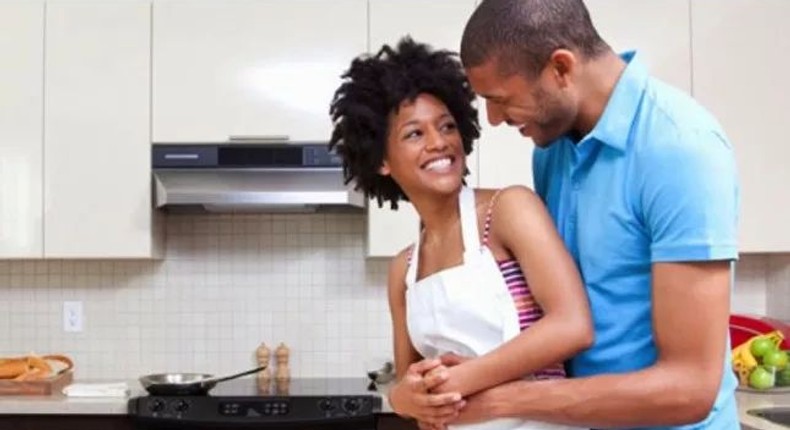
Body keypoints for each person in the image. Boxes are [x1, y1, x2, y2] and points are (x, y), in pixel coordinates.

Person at [410, 0, 740, 429]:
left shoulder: (680, 149)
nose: (492, 119)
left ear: (561, 68)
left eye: (500, 99)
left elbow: (689, 388)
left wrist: (505, 400)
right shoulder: (553, 150)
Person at [329, 37, 594, 430]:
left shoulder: (508, 210)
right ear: (382, 160)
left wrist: (464, 379)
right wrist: (402, 397)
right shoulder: (403, 268)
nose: (440, 143)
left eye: (447, 126)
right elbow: (406, 380)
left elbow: (572, 325)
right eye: (414, 134)